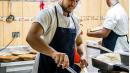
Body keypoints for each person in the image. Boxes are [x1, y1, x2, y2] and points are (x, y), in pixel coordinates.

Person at [26, 0, 88, 73]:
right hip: (46, 68)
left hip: (67, 69)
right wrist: (54, 53)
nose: (73, 4)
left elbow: (79, 42)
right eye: (71, 0)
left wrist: (83, 55)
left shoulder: (75, 19)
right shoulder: (48, 13)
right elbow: (31, 37)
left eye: (76, 1)